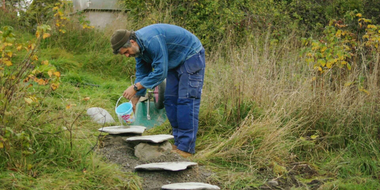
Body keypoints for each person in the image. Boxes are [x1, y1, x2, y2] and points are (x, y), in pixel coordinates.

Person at [110, 24, 205, 157]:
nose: (126, 56)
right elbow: (142, 73)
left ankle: (186, 148)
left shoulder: (152, 40)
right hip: (174, 61)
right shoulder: (138, 49)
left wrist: (136, 87)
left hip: (191, 56)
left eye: (126, 52)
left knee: (186, 100)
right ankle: (178, 143)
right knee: (170, 100)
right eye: (124, 54)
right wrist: (136, 98)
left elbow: (160, 72)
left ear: (132, 42)